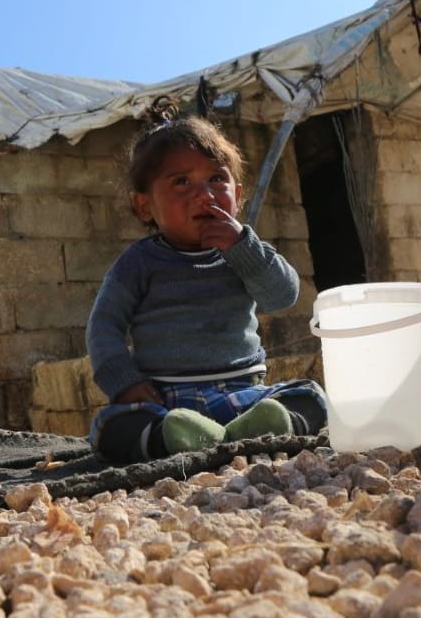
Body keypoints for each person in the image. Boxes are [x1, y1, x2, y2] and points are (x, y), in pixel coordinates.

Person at [86, 115, 328, 463]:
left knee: (312, 396)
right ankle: (180, 437)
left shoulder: (245, 250)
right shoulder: (137, 264)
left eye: (217, 178)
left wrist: (242, 248)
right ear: (144, 206)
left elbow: (282, 296)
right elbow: (104, 326)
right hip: (167, 402)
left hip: (243, 395)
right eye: (181, 182)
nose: (204, 194)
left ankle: (254, 429)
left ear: (238, 196)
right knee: (110, 430)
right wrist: (124, 384)